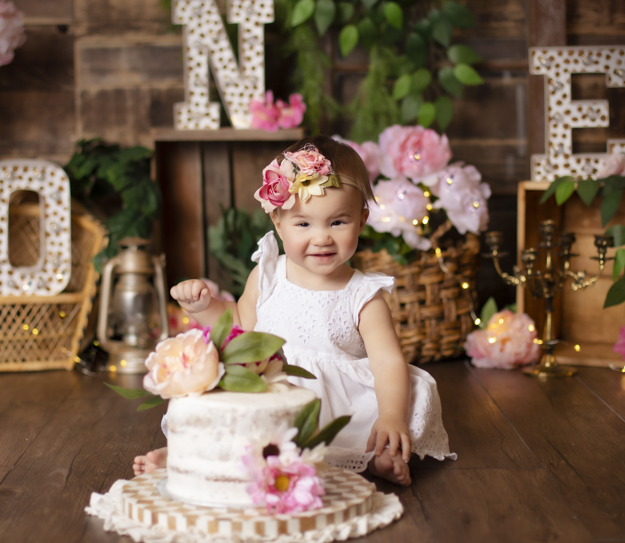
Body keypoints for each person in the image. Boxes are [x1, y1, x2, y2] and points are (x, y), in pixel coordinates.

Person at [134, 135, 454, 485]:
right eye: (303, 224)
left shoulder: (363, 295)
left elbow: (388, 362)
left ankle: (372, 458)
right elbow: (239, 326)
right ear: (278, 222)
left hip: (336, 402)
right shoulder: (268, 275)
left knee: (383, 410)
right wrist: (203, 306)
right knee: (218, 395)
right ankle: (192, 452)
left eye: (337, 222)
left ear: (361, 221)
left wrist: (391, 415)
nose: (321, 238)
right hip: (275, 385)